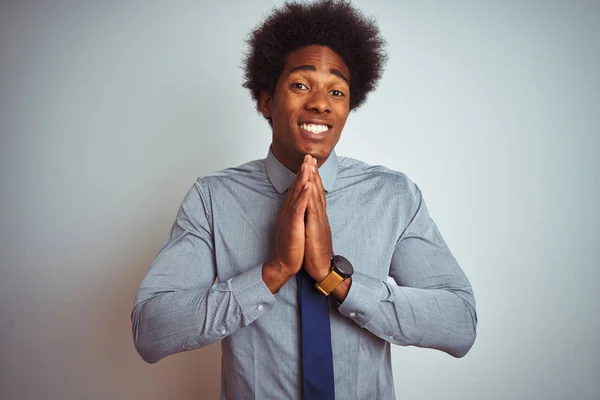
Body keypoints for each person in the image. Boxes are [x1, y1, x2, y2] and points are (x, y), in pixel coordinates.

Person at [132, 1, 477, 399]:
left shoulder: (394, 197)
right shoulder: (213, 199)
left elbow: (459, 325)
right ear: (266, 101)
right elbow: (151, 331)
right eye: (300, 85)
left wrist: (337, 281)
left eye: (337, 91)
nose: (320, 102)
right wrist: (272, 273)